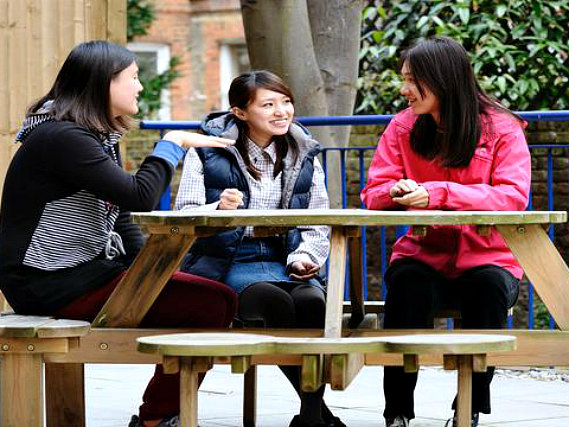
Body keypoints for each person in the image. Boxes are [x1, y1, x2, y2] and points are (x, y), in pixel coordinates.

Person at [0, 40, 238, 427]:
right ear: (103, 82)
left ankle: (159, 415)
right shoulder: (63, 138)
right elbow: (139, 195)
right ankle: (156, 418)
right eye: (133, 77)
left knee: (216, 299)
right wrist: (171, 143)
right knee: (213, 302)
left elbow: (121, 211)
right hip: (50, 282)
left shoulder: (86, 135)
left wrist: (148, 271)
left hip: (78, 274)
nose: (140, 86)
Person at [361, 37, 530, 427]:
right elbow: (373, 192)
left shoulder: (502, 127)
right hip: (422, 254)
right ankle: (397, 412)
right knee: (406, 285)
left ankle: (469, 409)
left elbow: (512, 196)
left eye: (412, 80)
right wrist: (396, 191)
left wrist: (438, 193)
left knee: (488, 288)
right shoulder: (402, 125)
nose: (404, 89)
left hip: (489, 258)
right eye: (404, 78)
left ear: (442, 79)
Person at [174, 70, 344, 427]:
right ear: (240, 112)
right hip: (227, 259)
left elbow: (318, 220)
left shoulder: (303, 152)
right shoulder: (207, 151)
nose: (281, 111)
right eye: (268, 105)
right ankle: (318, 417)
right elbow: (185, 215)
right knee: (273, 301)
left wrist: (304, 257)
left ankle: (311, 416)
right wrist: (218, 208)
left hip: (285, 257)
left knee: (313, 303)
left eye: (286, 102)